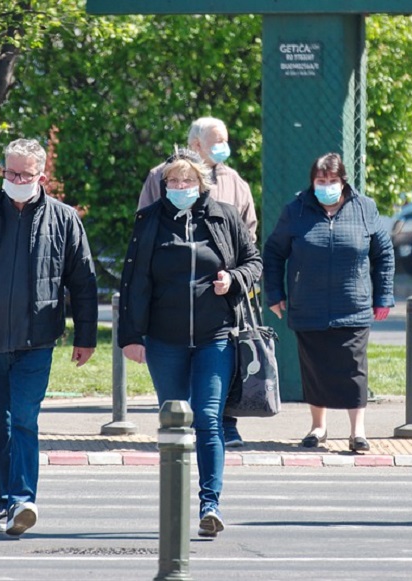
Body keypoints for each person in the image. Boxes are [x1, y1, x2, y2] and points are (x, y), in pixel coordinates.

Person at [0, 138, 98, 537]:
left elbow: (84, 283)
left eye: (25, 174)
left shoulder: (63, 219)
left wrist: (87, 336)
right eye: (10, 172)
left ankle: (23, 499)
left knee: (24, 420)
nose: (16, 179)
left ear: (41, 176)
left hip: (36, 342)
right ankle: (7, 501)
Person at [119, 147, 262, 538]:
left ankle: (209, 504)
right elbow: (131, 282)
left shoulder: (224, 216)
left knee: (208, 418)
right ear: (163, 185)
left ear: (202, 184)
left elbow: (254, 262)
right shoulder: (149, 221)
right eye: (173, 182)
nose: (180, 187)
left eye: (188, 181)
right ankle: (175, 503)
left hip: (215, 339)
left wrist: (233, 279)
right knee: (173, 421)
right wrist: (129, 336)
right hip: (163, 341)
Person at [263, 152, 395, 452]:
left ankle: (357, 432)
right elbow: (273, 253)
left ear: (343, 181)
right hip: (308, 305)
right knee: (315, 368)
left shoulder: (364, 208)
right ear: (312, 183)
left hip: (354, 305)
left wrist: (383, 296)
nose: (327, 186)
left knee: (353, 368)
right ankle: (318, 427)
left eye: (333, 180)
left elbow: (383, 254)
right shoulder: (295, 211)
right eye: (321, 181)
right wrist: (275, 294)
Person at [138, 116, 257, 448]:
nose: (223, 147)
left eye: (225, 140)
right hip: (169, 307)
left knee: (221, 371)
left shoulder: (235, 182)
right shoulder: (159, 178)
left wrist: (234, 276)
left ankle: (225, 424)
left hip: (221, 300)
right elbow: (145, 226)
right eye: (215, 141)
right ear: (195, 145)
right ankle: (181, 432)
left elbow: (249, 236)